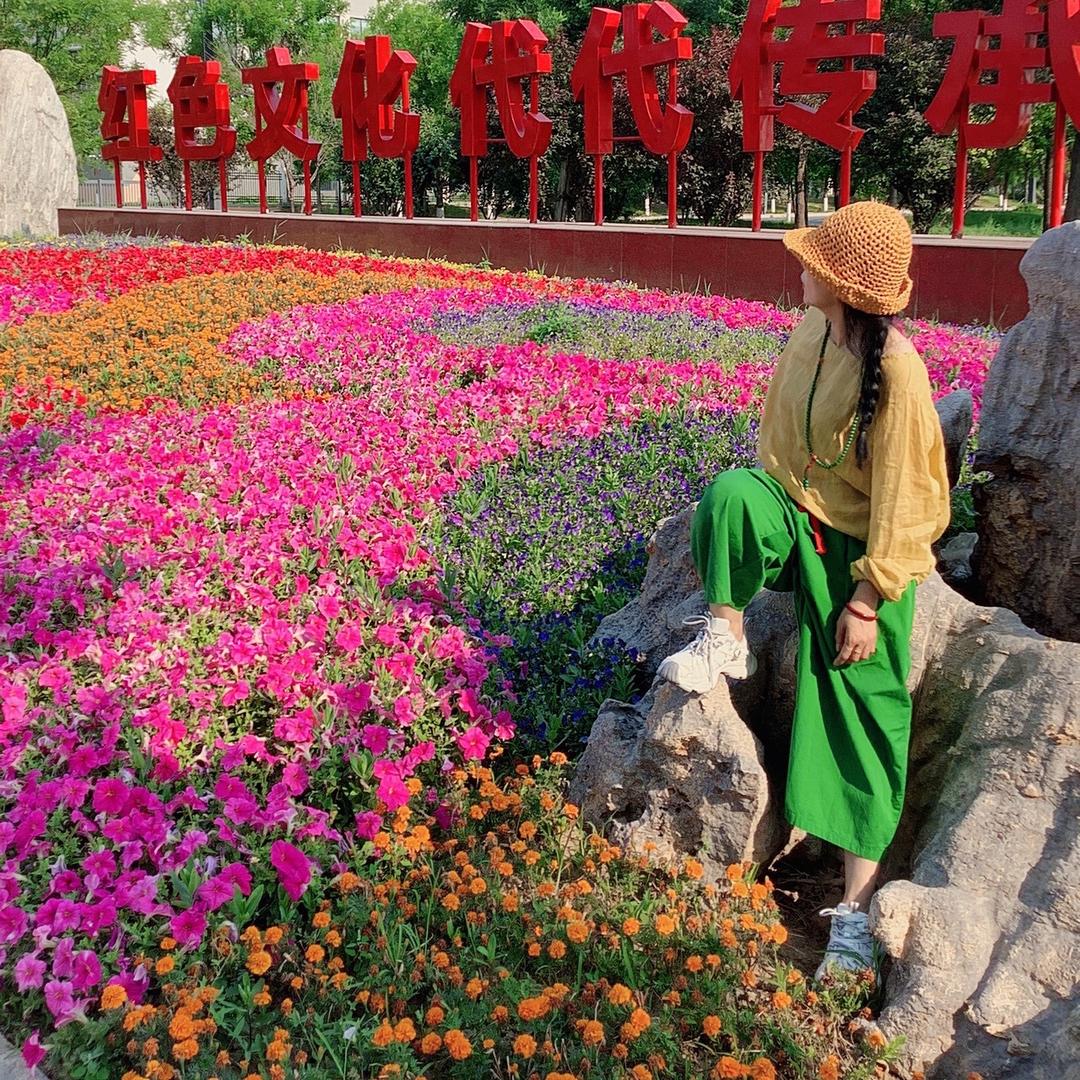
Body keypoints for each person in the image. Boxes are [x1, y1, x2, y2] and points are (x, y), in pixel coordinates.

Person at [657, 200, 951, 981]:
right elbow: (777, 450)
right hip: (798, 516)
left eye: (816, 259)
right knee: (731, 496)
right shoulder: (810, 330)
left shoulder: (898, 372)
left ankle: (854, 912)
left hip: (861, 553)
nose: (802, 264)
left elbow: (911, 502)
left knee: (860, 707)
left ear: (845, 284)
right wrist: (779, 506)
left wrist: (868, 599)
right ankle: (727, 630)